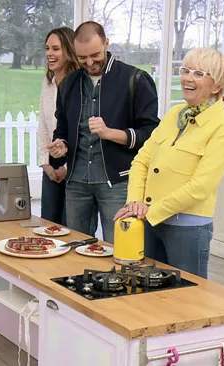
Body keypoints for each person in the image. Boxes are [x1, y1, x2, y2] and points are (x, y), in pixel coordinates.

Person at [113, 47, 224, 279]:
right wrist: (135, 202)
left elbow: (200, 186)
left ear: (217, 85)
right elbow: (142, 160)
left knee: (186, 300)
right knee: (149, 294)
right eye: (186, 70)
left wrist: (150, 211)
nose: (188, 78)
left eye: (200, 74)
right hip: (149, 220)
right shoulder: (174, 114)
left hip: (187, 228)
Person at [47, 21, 159, 243]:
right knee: (75, 250)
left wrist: (111, 133)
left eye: (95, 55)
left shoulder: (136, 80)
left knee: (121, 249)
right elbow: (62, 129)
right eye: (82, 58)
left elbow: (151, 135)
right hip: (76, 183)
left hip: (118, 183)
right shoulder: (68, 84)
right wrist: (61, 144)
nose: (89, 63)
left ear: (106, 43)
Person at [38, 27, 80, 225]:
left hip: (75, 166)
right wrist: (45, 163)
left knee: (70, 227)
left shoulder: (81, 85)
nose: (49, 54)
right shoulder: (48, 83)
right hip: (51, 165)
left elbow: (83, 132)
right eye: (47, 48)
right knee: (48, 226)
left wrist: (67, 167)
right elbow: (43, 126)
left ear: (69, 51)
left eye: (55, 49)